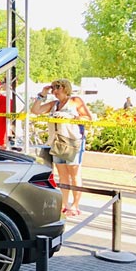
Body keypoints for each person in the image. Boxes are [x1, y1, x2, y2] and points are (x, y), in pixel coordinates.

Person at [31, 78, 93, 217]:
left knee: (74, 173)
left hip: (72, 141)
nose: (55, 91)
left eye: (57, 87)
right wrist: (42, 94)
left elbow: (88, 118)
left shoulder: (75, 101)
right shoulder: (54, 104)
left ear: (65, 88)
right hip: (57, 142)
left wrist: (74, 118)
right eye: (53, 88)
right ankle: (64, 204)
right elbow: (36, 110)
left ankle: (75, 205)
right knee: (62, 175)